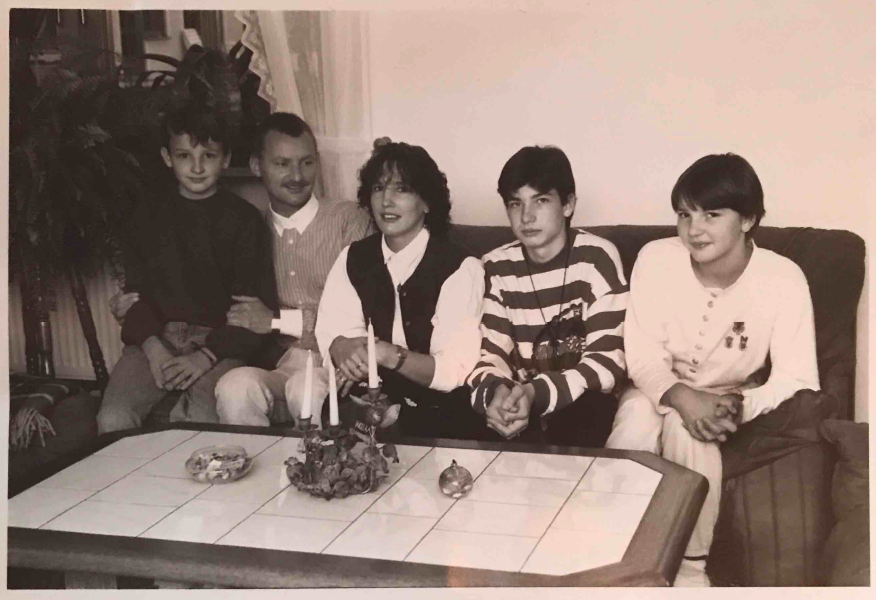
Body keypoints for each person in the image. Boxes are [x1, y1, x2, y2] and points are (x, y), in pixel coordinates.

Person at [605, 153, 820, 586]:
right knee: (636, 420)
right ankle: (611, 550)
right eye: (684, 214)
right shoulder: (656, 257)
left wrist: (738, 405)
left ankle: (690, 569)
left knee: (690, 432)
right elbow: (642, 354)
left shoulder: (784, 278)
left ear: (748, 219)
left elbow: (796, 377)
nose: (694, 229)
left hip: (726, 397)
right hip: (653, 388)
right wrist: (681, 396)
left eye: (712, 214)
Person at [97, 105, 273, 433]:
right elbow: (135, 298)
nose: (196, 167)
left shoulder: (244, 221)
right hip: (155, 336)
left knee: (199, 424)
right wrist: (153, 350)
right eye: (184, 156)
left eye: (208, 156)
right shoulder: (145, 216)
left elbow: (251, 311)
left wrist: (206, 355)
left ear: (225, 159)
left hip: (220, 343)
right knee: (113, 418)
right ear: (167, 157)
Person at [316, 140, 487, 440]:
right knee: (333, 411)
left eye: (402, 189)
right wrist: (339, 346)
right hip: (373, 395)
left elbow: (452, 370)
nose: (386, 201)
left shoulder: (460, 267)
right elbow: (338, 334)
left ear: (427, 203)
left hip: (439, 407)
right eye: (378, 188)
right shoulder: (353, 257)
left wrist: (388, 355)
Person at [212, 113, 373, 427]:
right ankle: (256, 461)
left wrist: (275, 321)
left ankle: (314, 459)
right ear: (257, 166)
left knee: (305, 387)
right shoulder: (249, 229)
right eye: (282, 163)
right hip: (281, 365)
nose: (297, 176)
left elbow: (365, 310)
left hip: (337, 363)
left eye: (306, 162)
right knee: (234, 387)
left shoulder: (349, 220)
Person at [466, 146, 628, 445]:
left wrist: (535, 394)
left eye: (540, 200)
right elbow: (489, 355)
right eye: (516, 203)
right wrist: (498, 394)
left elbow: (607, 361)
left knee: (588, 411)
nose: (526, 216)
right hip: (520, 400)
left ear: (568, 204)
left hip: (582, 404)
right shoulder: (495, 266)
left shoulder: (597, 257)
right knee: (477, 412)